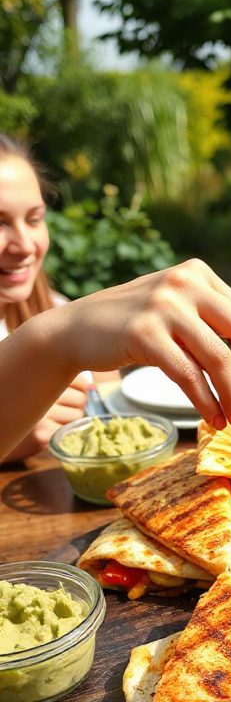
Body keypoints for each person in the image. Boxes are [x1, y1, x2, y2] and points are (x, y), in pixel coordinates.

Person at [0, 257, 231, 463]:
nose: (23, 243)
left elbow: (105, 385)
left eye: (34, 218)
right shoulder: (56, 318)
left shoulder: (50, 302)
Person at [0, 132, 94, 461]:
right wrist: (9, 433)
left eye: (34, 219)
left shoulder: (45, 304)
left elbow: (97, 379)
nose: (25, 245)